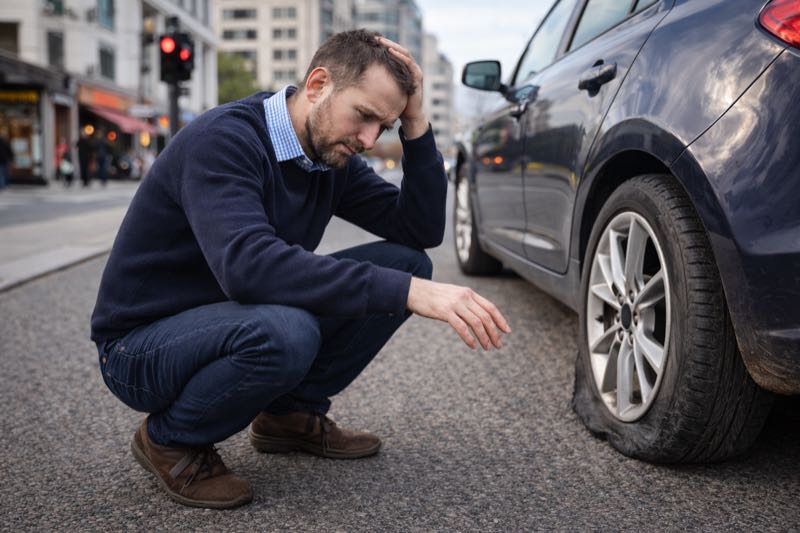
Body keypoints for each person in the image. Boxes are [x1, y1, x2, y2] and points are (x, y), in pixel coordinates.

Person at [91, 30, 511, 510]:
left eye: (385, 126)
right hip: (139, 347)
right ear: (317, 85)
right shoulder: (223, 141)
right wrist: (409, 293)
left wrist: (416, 125)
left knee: (407, 263)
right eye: (365, 116)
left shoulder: (329, 156)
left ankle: (288, 415)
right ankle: (171, 439)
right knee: (288, 331)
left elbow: (418, 230)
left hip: (229, 320)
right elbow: (248, 267)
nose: (371, 140)